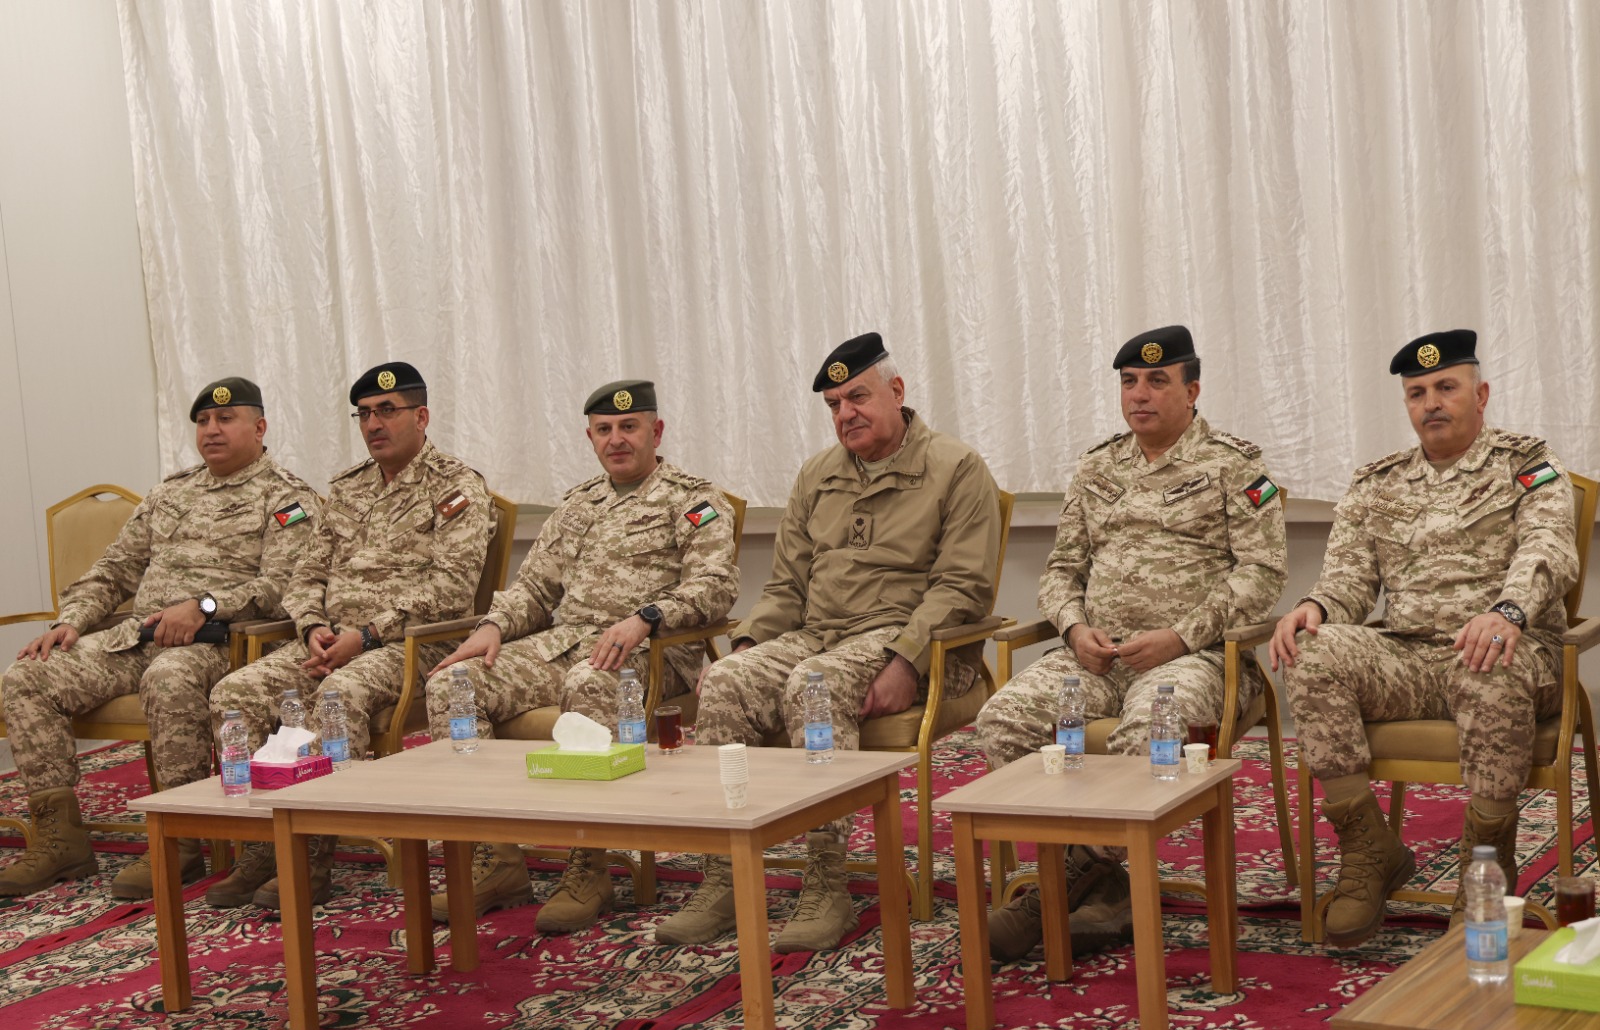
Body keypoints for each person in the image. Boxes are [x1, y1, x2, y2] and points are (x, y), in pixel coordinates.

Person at [654, 332, 1001, 951]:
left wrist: (905, 662)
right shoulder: (818, 474)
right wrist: (746, 646)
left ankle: (827, 880)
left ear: (897, 391)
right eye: (834, 405)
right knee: (728, 680)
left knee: (814, 685)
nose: (846, 414)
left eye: (858, 397)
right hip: (820, 634)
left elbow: (963, 587)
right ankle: (724, 876)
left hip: (912, 641)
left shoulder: (955, 467)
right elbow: (786, 584)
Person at [975, 324, 1288, 961]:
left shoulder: (1235, 464)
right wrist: (1072, 627)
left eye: (1156, 381)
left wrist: (1181, 635)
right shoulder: (1097, 466)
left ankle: (1061, 888)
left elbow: (1263, 573)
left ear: (1192, 390)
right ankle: (1103, 882)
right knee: (1003, 721)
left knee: (1148, 732)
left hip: (1195, 659)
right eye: (1128, 382)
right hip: (1095, 659)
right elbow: (1062, 569)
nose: (1139, 394)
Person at [1270, 330, 1576, 947]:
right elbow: (1348, 581)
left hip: (1511, 652)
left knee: (1486, 662)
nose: (1431, 403)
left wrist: (1507, 612)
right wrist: (1312, 607)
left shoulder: (1527, 465)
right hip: (1408, 657)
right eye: (1417, 393)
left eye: (1446, 387)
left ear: (1480, 395)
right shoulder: (1377, 482)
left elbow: (1550, 550)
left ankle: (1485, 871)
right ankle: (1369, 851)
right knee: (1311, 650)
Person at [423, 379, 738, 932]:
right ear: (590, 437)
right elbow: (534, 588)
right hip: (565, 644)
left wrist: (647, 617)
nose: (617, 439)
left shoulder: (693, 501)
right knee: (454, 683)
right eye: (604, 430)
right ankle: (494, 859)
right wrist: (493, 625)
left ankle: (588, 866)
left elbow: (716, 585)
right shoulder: (577, 503)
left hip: (653, 654)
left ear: (656, 431)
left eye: (629, 427)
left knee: (589, 682)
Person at [0, 378, 317, 898]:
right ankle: (60, 841)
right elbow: (114, 569)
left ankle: (179, 838)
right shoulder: (171, 493)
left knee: (169, 678)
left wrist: (204, 605)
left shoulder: (288, 498)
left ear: (259, 427)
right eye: (203, 421)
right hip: (140, 636)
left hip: (223, 643)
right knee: (30, 675)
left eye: (226, 419)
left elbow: (284, 587)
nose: (211, 429)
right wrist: (70, 621)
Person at [206, 362, 493, 910]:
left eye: (387, 411)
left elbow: (452, 590)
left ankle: (311, 860)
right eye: (364, 414)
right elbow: (306, 575)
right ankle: (263, 847)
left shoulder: (456, 487)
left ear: (421, 416)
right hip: (328, 641)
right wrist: (312, 626)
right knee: (234, 694)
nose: (373, 424)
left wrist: (367, 634)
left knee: (339, 695)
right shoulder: (346, 489)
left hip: (412, 645)